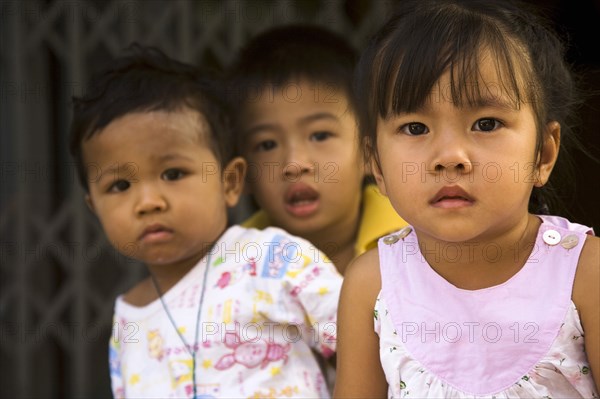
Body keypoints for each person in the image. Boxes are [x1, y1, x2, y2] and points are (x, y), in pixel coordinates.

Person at [334, 0, 599, 397]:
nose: (450, 157)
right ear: (377, 165)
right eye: (415, 127)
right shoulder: (371, 284)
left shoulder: (585, 273)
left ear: (542, 154)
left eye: (486, 123)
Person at [69, 44, 342, 399]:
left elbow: (371, 342)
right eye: (119, 185)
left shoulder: (271, 261)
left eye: (173, 173)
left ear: (229, 183)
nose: (149, 202)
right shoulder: (129, 318)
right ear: (94, 207)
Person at [226, 25, 408, 276]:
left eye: (320, 135)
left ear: (370, 153)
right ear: (242, 175)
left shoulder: (414, 240)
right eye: (267, 144)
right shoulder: (231, 265)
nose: (295, 164)